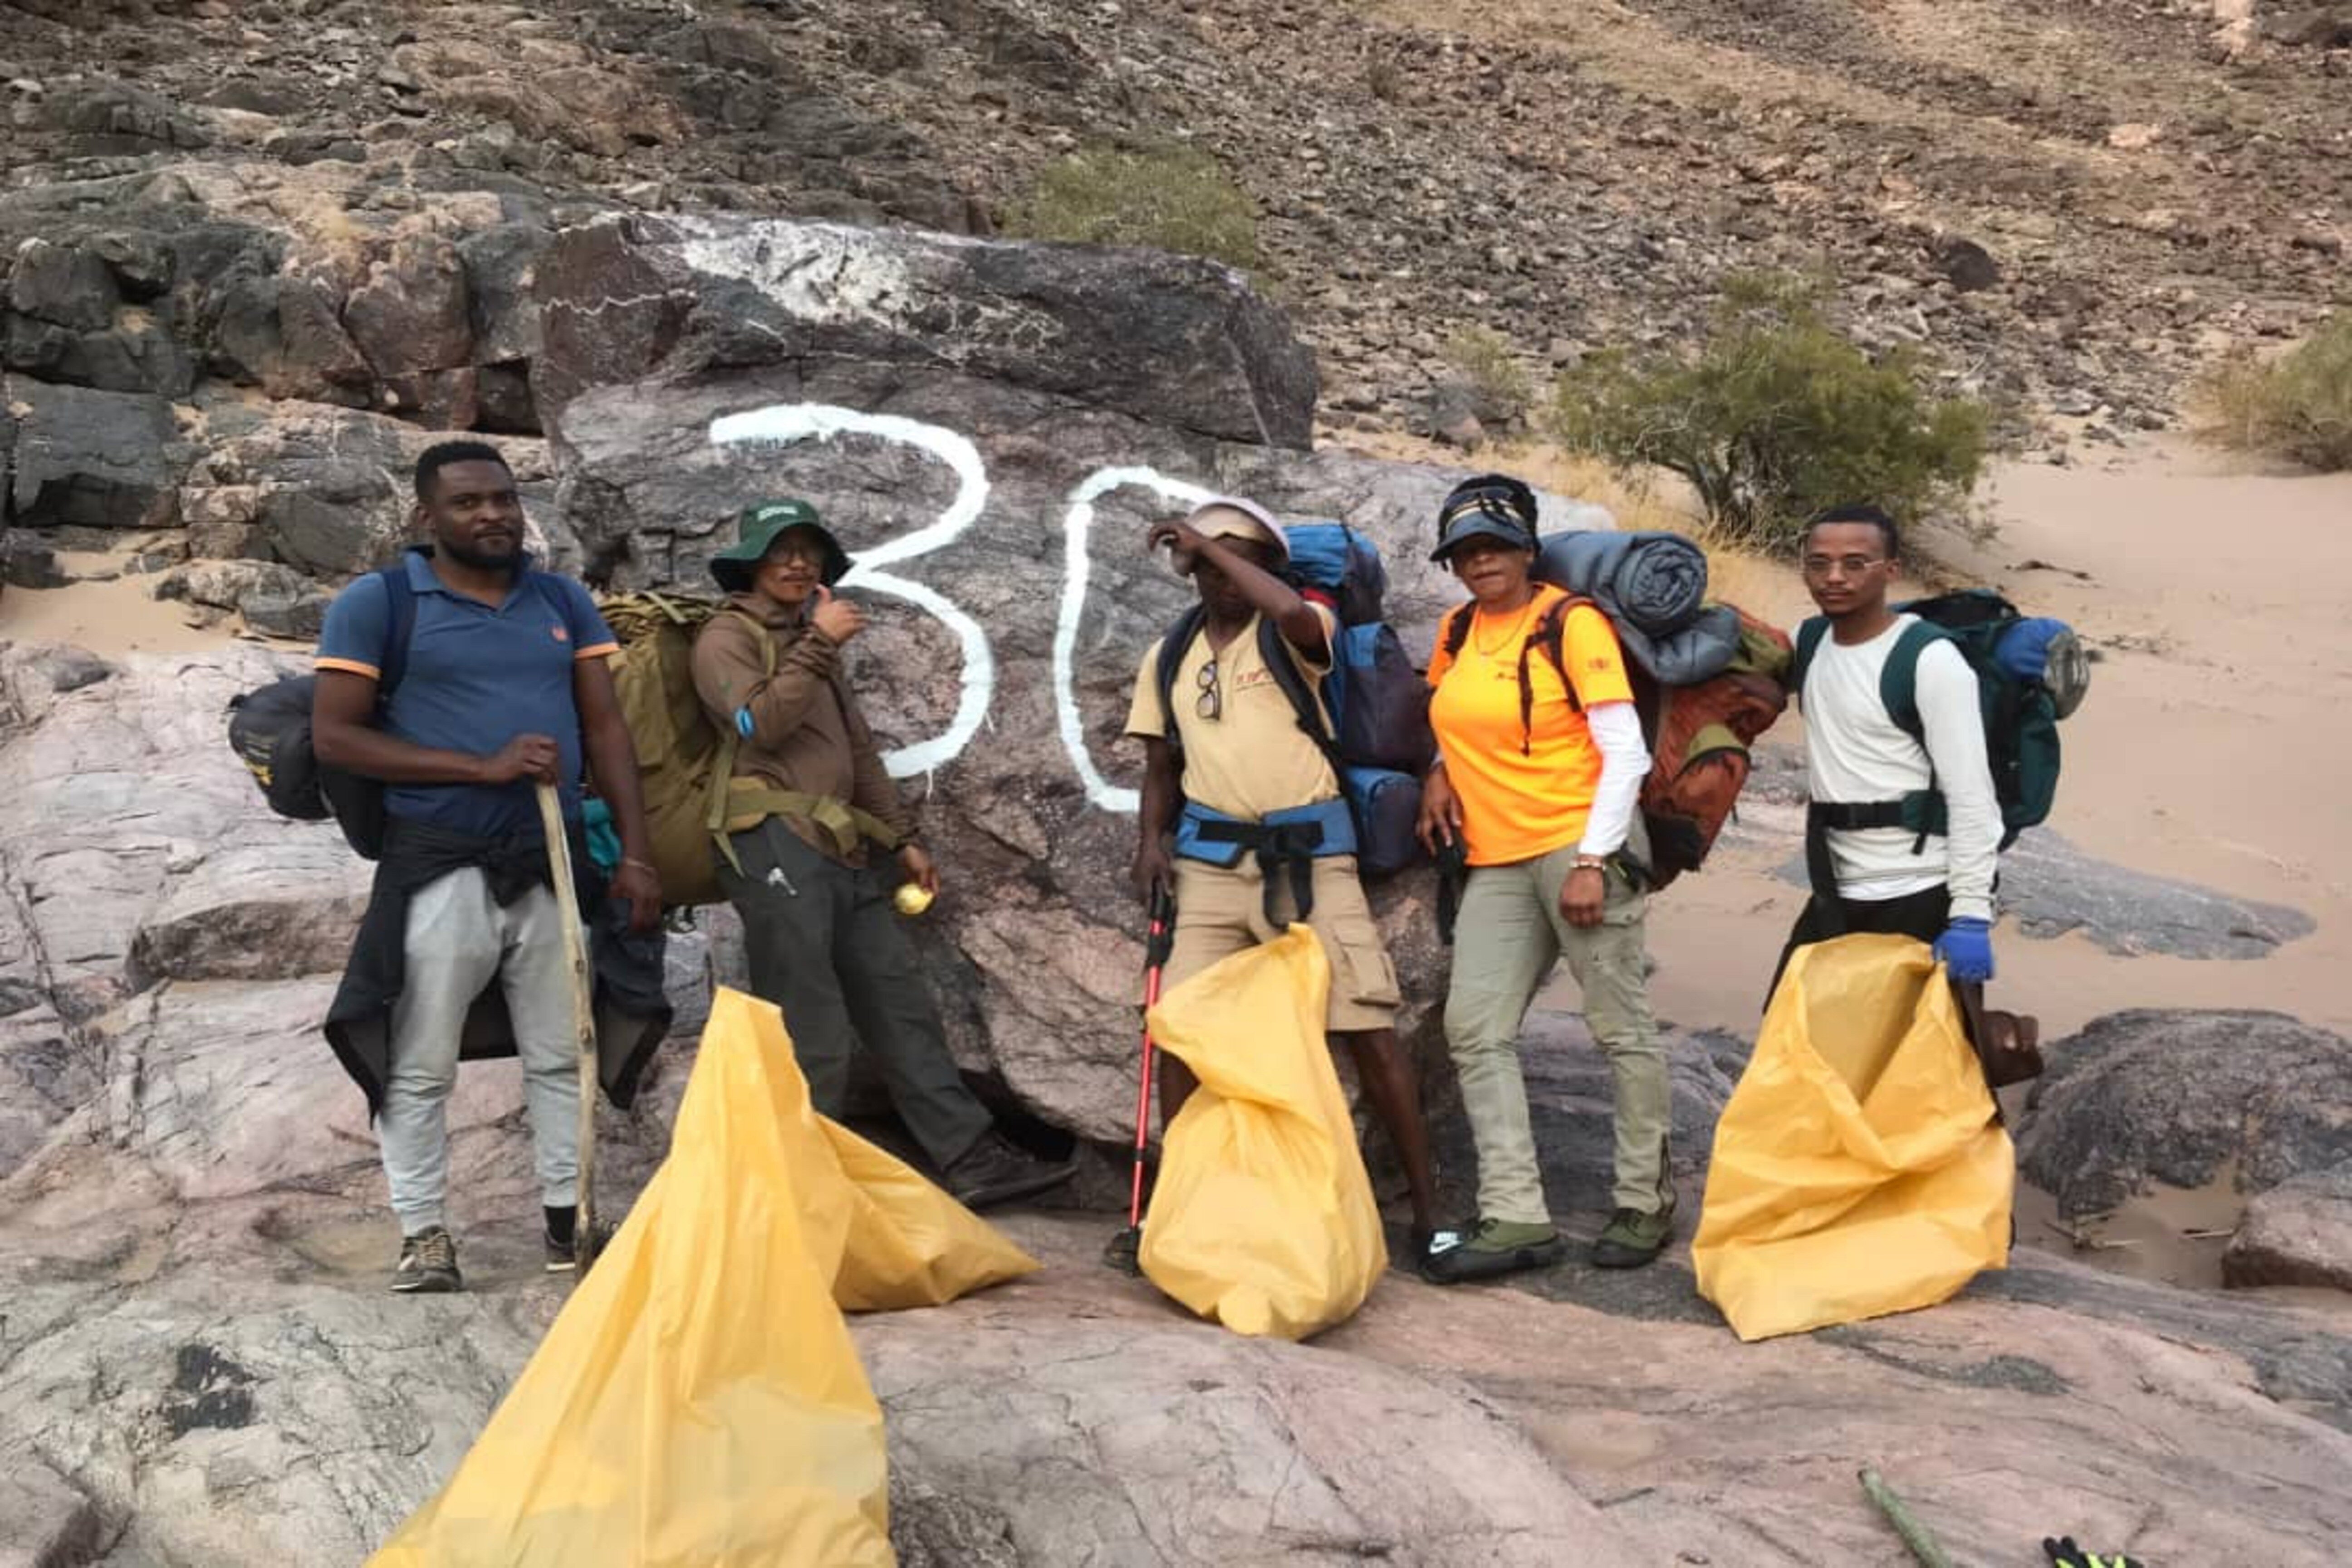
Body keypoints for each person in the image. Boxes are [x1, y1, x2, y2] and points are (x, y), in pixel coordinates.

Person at [315, 439, 665, 1295]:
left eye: (503, 500)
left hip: (550, 857)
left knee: (562, 1048)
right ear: (426, 517)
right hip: (438, 855)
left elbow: (608, 731)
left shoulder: (560, 601)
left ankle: (569, 1222)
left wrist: (638, 855)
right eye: (468, 503)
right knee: (421, 1056)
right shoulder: (380, 603)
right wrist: (482, 768)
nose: (492, 516)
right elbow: (337, 735)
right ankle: (424, 1233)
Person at [690, 498, 1074, 1210]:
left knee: (897, 1001)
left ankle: (970, 1157)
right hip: (770, 843)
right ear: (751, 563)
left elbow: (859, 753)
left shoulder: (812, 644)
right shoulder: (725, 638)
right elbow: (759, 724)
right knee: (811, 1020)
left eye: (809, 551)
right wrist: (820, 645)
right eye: (782, 549)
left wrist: (901, 839)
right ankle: (805, 1178)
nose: (798, 563)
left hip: (841, 847)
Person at [1123, 497, 1440, 1251]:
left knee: (1366, 1028)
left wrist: (1209, 541)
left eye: (1241, 560)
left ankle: (1430, 1214)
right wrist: (1148, 840)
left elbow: (1294, 611)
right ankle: (1170, 1207)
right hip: (1209, 863)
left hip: (1312, 860)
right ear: (1192, 572)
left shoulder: (1297, 632)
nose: (1221, 575)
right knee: (1178, 1031)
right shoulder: (1169, 654)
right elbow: (1160, 762)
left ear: (1267, 569)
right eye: (1204, 563)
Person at [1415, 474, 1675, 1281]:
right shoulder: (1456, 630)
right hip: (1494, 857)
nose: (1480, 560)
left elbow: (1624, 751)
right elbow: (1450, 719)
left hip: (1576, 844)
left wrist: (1592, 860)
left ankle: (1643, 1201)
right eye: (1465, 550)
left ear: (1528, 549)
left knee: (1618, 1028)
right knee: (1475, 1028)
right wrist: (1435, 772)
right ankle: (1516, 1215)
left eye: (1494, 545)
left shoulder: (1571, 623)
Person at [1773, 503, 2001, 992]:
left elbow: (1972, 795)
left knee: (1915, 1062)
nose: (1834, 577)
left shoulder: (1931, 661)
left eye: (1856, 564)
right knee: (1791, 1038)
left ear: (1891, 571)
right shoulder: (1809, 642)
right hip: (1834, 888)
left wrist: (1970, 916)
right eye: (1818, 563)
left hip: (1918, 890)